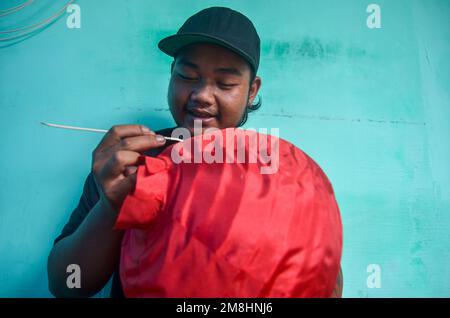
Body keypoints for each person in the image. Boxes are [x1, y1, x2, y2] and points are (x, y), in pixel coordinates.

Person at [47, 6, 343, 298]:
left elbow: (326, 281)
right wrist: (111, 206)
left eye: (225, 83)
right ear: (171, 74)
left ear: (252, 91)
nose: (201, 95)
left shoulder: (280, 175)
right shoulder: (131, 163)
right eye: (187, 76)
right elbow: (67, 284)